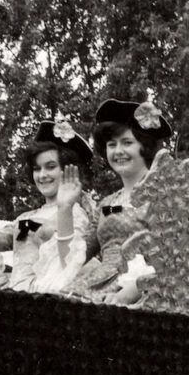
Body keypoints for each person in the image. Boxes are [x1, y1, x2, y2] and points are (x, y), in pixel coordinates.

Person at [0, 120, 93, 292]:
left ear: (67, 170)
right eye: (37, 168)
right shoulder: (24, 219)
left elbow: (70, 264)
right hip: (17, 298)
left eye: (50, 167)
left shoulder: (75, 214)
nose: (42, 175)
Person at [62, 99, 171, 305]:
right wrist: (65, 208)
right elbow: (73, 258)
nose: (118, 151)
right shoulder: (107, 203)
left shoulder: (164, 195)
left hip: (145, 293)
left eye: (127, 143)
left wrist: (132, 291)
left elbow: (174, 256)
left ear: (145, 147)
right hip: (95, 286)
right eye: (112, 145)